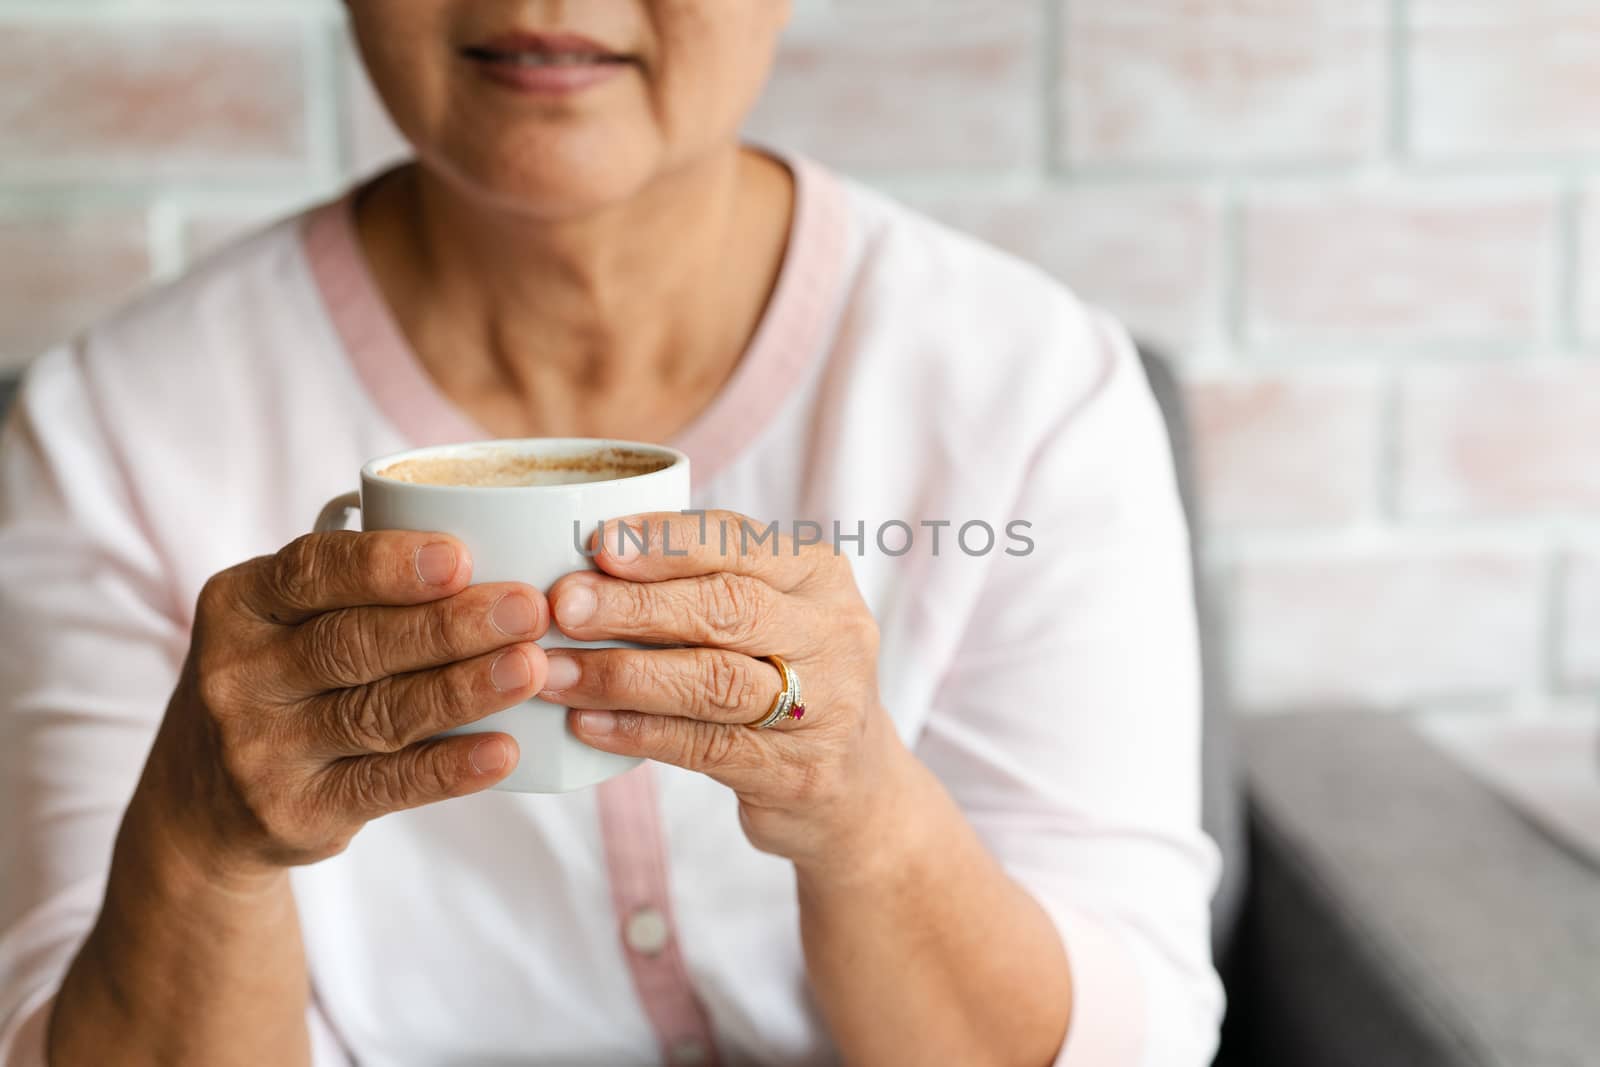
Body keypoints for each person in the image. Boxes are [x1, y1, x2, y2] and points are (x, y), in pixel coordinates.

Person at [0, 2, 1224, 1064]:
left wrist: (864, 815)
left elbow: (1134, 1029)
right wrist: (202, 849)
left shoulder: (1027, 386)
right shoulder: (114, 427)